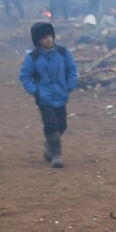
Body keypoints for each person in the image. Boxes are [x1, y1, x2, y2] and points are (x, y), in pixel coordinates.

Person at [20, 22, 78, 168]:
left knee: (62, 125)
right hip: (44, 97)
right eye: (44, 37)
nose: (48, 40)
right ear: (37, 40)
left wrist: (70, 86)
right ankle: (57, 155)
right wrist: (35, 91)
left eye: (50, 36)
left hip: (61, 95)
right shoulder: (33, 58)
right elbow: (25, 75)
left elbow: (72, 69)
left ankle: (49, 144)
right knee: (51, 124)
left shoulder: (63, 53)